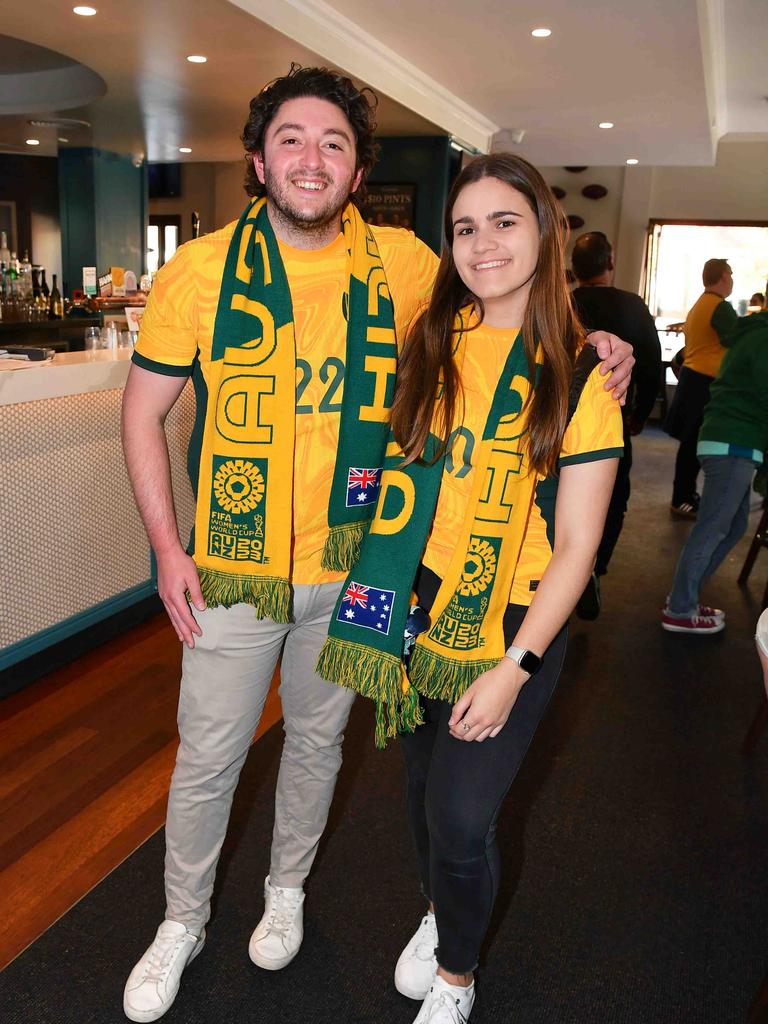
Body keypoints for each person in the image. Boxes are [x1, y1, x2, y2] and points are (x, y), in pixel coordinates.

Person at [120, 67, 634, 1022]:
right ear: (257, 157)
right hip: (236, 571)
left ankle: (286, 895)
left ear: (357, 170)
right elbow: (143, 414)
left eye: (334, 144)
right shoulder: (196, 272)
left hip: (362, 570)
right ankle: (181, 922)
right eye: (291, 139)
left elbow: (512, 305)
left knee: (319, 748)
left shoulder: (405, 266)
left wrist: (601, 346)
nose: (311, 159)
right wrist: (166, 546)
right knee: (208, 759)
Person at [317, 153, 624, 1023]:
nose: (482, 244)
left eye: (504, 222)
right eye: (464, 227)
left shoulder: (578, 376)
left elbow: (578, 545)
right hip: (420, 603)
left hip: (517, 616)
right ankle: (439, 912)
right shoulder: (430, 340)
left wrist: (517, 665)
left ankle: (457, 977)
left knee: (462, 815)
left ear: (544, 235)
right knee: (420, 794)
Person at [662, 300, 768, 634]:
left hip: (727, 440)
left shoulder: (753, 333)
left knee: (733, 526)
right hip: (733, 443)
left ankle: (685, 598)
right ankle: (680, 609)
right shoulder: (763, 338)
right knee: (713, 527)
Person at [571, 231, 661, 618]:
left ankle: (562, 566)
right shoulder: (631, 305)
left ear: (575, 269)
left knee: (560, 494)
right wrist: (639, 414)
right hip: (612, 417)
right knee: (614, 496)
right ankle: (593, 565)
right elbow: (652, 366)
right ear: (610, 264)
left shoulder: (564, 302)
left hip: (560, 417)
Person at [665, 258, 738, 519]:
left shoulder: (699, 305)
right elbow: (738, 341)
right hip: (704, 383)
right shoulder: (720, 307)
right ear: (721, 277)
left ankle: (684, 495)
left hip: (692, 379)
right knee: (693, 445)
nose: (732, 279)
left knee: (690, 443)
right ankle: (682, 498)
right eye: (730, 274)